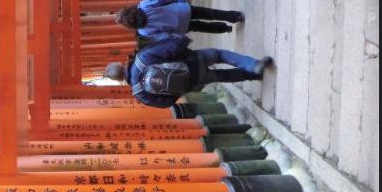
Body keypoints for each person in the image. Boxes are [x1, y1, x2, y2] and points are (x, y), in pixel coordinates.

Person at [104, 36, 274, 108]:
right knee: (220, 55)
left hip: (190, 81)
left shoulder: (139, 93)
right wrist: (184, 43)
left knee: (219, 76)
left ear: (119, 79)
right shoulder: (142, 57)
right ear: (121, 65)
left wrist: (179, 88)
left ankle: (253, 75)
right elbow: (170, 47)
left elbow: (165, 104)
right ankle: (253, 65)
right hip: (191, 61)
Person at [115, 0, 244, 42]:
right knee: (209, 13)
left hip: (180, 27)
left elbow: (163, 36)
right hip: (182, 10)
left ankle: (225, 28)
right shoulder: (144, 5)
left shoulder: (143, 31)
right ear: (128, 9)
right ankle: (234, 16)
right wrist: (177, 0)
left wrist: (176, 35)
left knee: (202, 27)